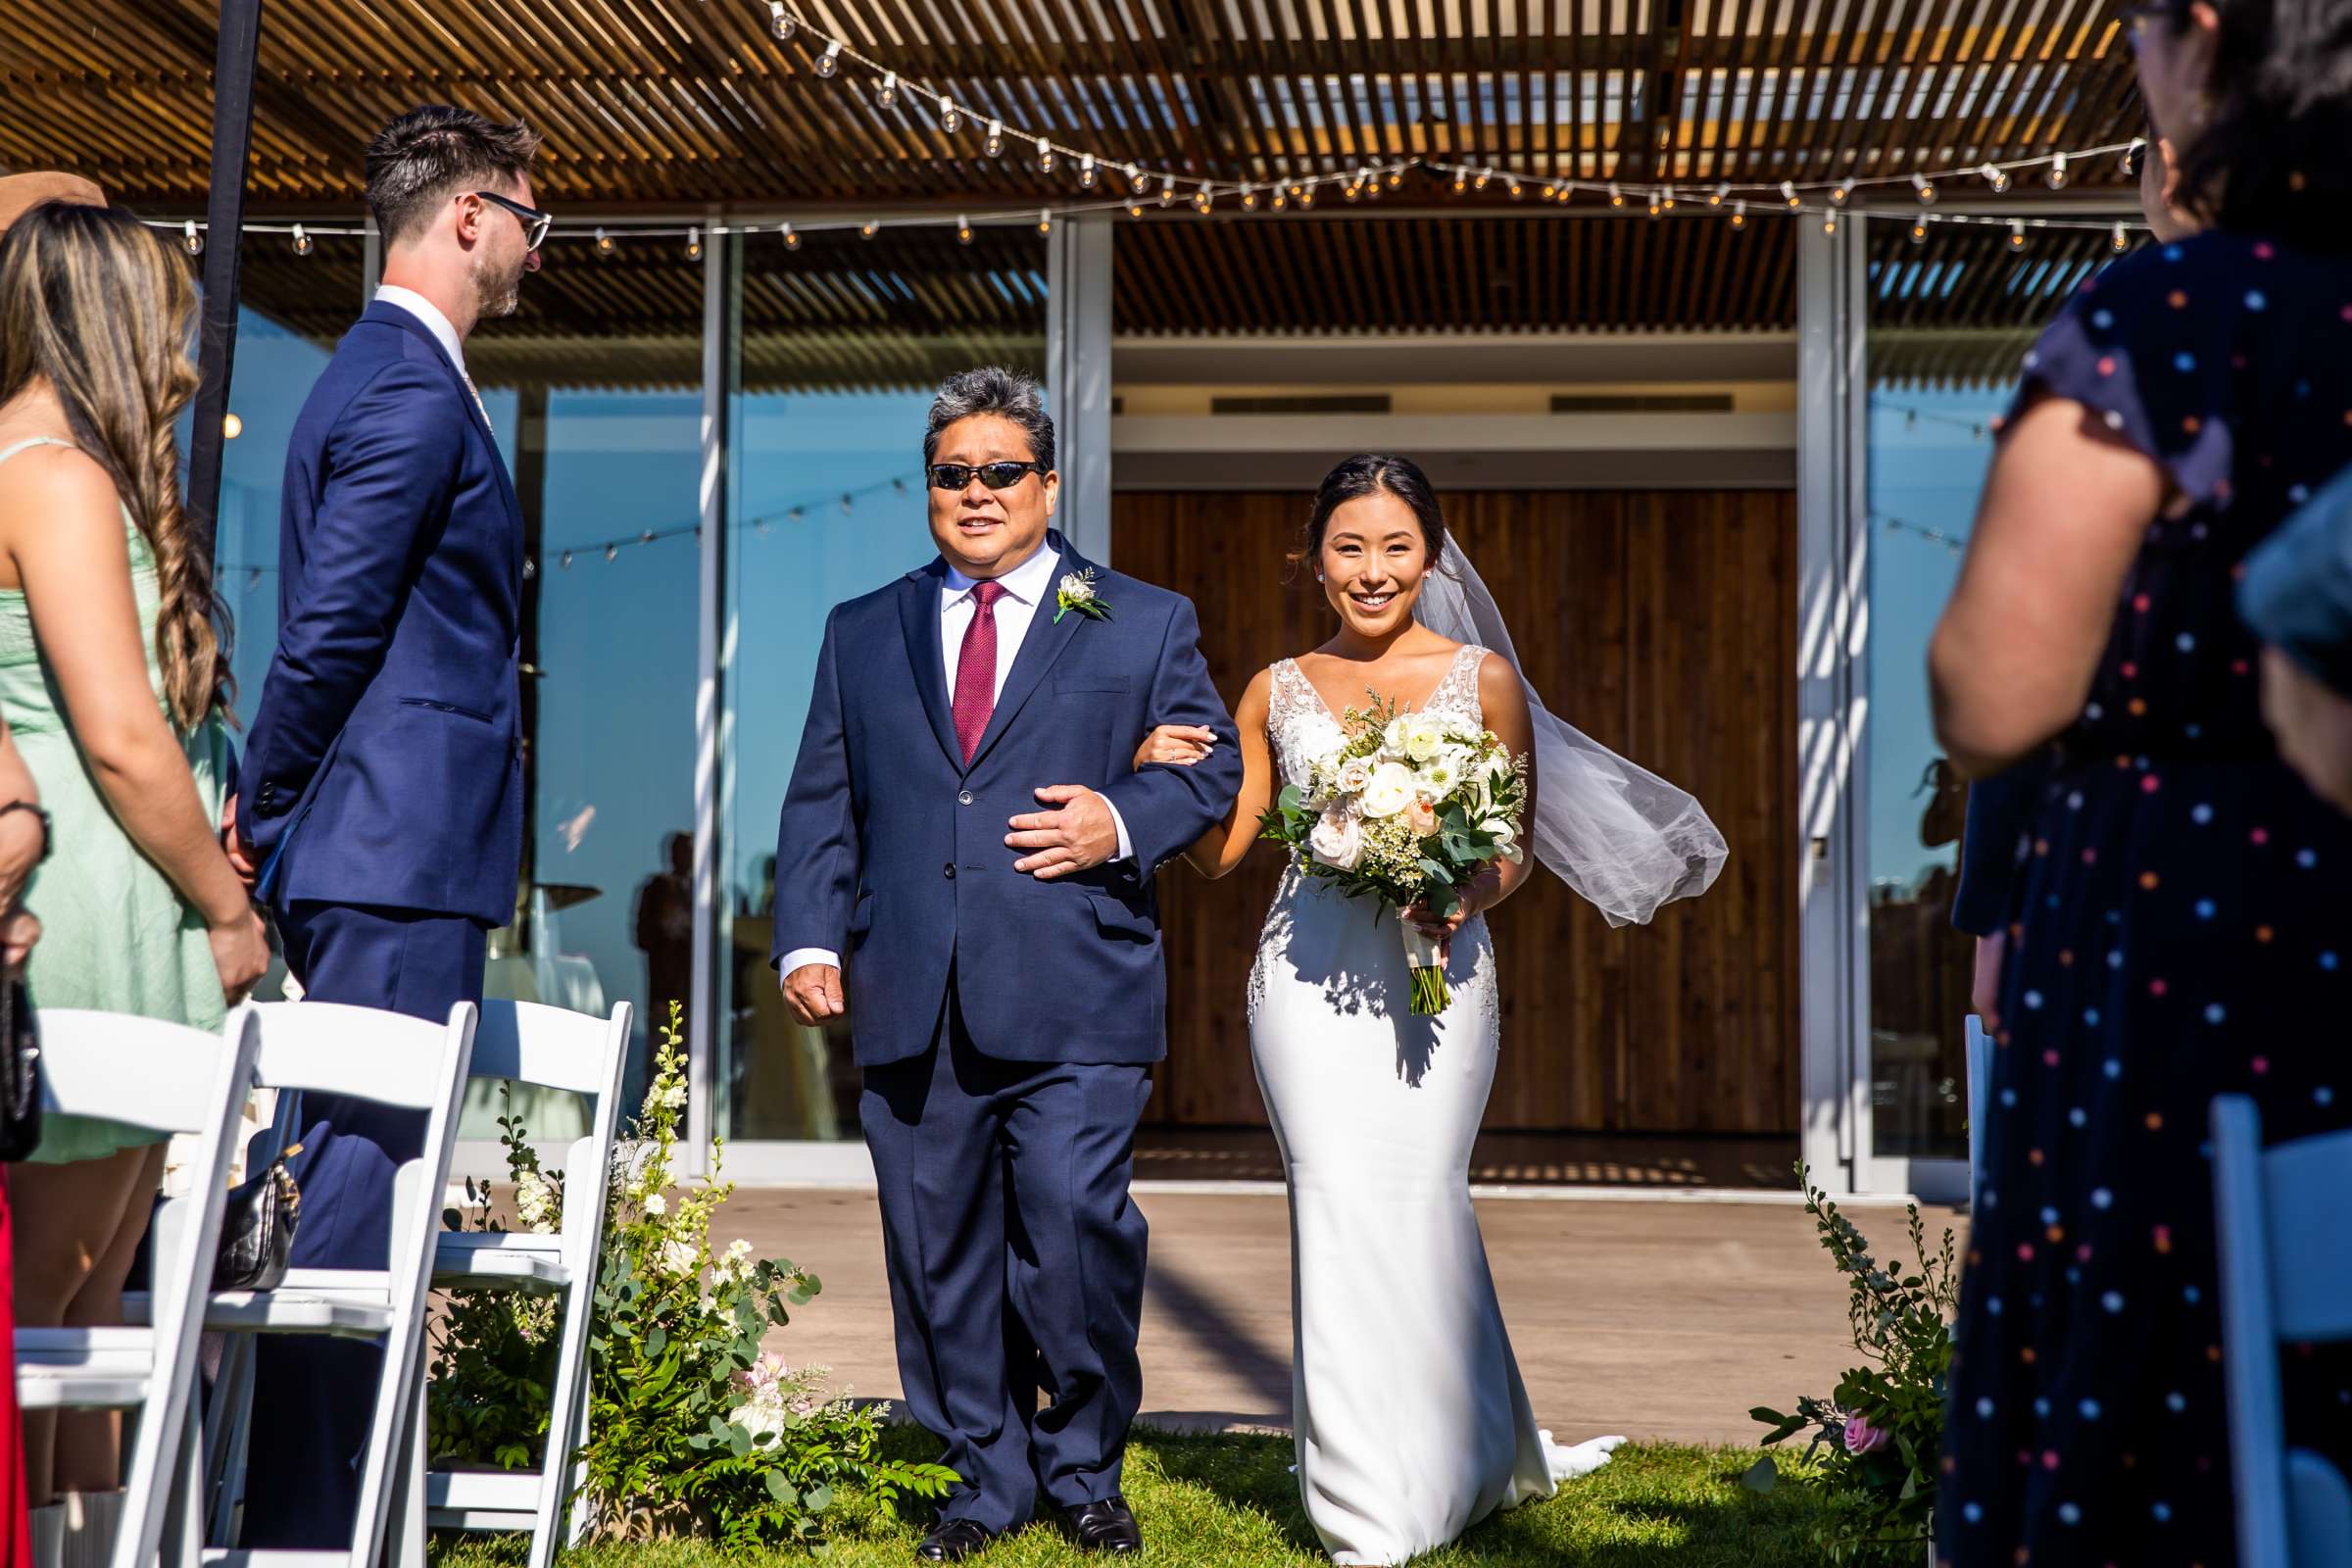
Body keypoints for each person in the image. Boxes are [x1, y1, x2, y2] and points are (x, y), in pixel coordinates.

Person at [1926, 0, 2352, 1554]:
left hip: (2190, 929)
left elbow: (1993, 688)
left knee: (2173, 1334)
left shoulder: (2160, 319)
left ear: (2215, 37)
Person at [1133, 454, 1725, 1564]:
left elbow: (1512, 854)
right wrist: (1157, 770)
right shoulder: (1274, 687)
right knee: (1336, 1201)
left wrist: (1455, 886)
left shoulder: (1483, 680)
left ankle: (1469, 1447)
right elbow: (1223, 855)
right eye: (1349, 546)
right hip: (1305, 980)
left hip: (1442, 979)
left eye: (1395, 546)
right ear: (1315, 560)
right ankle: (1366, 1513)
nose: (1372, 569)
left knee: (1420, 1202)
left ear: (1432, 555)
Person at [770, 367, 1241, 1561]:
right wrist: (812, 936)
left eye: (999, 471)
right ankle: (985, 1478)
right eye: (951, 473)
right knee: (936, 1254)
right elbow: (825, 796)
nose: (975, 492)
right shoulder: (862, 630)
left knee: (1076, 1229)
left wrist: (1118, 819)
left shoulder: (1139, 618)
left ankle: (1084, 1467)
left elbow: (1210, 770)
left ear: (1047, 482)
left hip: (1078, 987)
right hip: (910, 994)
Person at [226, 104, 542, 1548]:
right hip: (392, 851)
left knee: (371, 1173)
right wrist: (269, 802)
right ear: (470, 214)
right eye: (534, 213)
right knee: (358, 1183)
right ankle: (305, 1523)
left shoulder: (391, 373)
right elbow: (335, 626)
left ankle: (328, 1509)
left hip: (392, 847)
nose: (539, 244)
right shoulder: (413, 389)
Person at [0, 200, 268, 1566]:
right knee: (48, 1285)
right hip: (88, 919)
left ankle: (92, 1544)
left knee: (98, 1289)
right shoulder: (48, 472)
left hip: (132, 908)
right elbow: (117, 730)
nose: (187, 350)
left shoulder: (84, 470)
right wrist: (227, 909)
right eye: (170, 314)